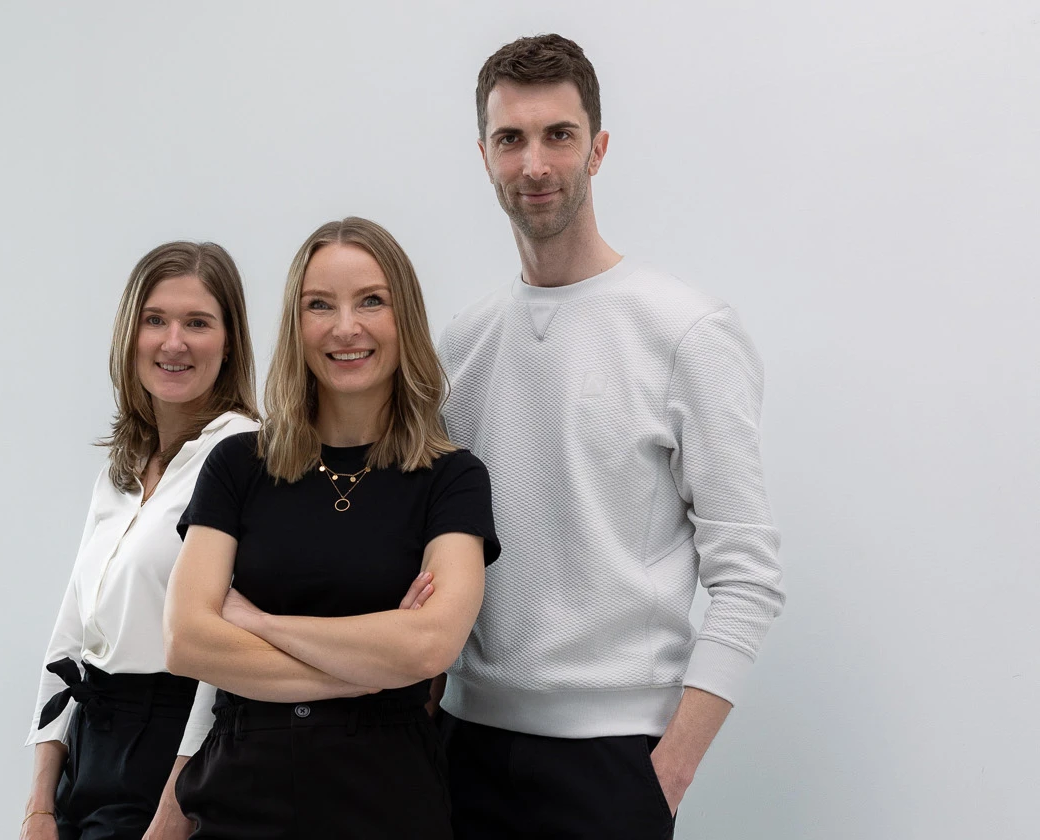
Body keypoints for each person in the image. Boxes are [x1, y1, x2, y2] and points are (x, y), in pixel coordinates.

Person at [435, 34, 787, 839]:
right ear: (484, 156)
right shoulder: (462, 344)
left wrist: (670, 770)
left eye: (557, 135)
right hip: (462, 747)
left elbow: (747, 575)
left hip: (613, 764)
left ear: (596, 148)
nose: (534, 165)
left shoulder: (686, 332)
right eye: (510, 138)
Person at [163, 216, 499, 839]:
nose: (346, 327)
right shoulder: (237, 465)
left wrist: (259, 624)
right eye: (320, 305)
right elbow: (187, 641)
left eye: (371, 300)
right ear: (296, 324)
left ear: (405, 317)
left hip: (386, 805)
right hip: (240, 799)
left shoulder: (452, 478)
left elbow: (429, 647)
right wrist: (373, 668)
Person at [21, 241, 260, 840]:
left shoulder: (245, 456)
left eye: (197, 323)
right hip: (89, 743)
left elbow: (224, 665)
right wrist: (40, 804)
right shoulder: (122, 466)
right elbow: (71, 632)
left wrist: (173, 811)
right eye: (155, 320)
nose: (173, 342)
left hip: (173, 748)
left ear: (230, 342)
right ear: (130, 335)